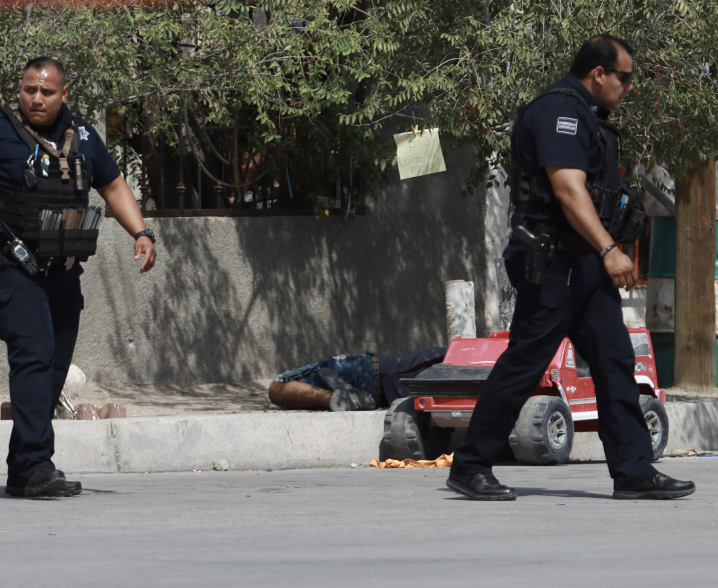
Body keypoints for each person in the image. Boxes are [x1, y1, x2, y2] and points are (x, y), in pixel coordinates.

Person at [447, 34, 695, 501]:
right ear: (598, 73)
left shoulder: (586, 115)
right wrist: (609, 249)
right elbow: (567, 189)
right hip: (555, 263)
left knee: (615, 362)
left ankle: (634, 471)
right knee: (526, 363)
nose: (630, 87)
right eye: (625, 77)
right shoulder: (557, 112)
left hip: (583, 264)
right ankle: (471, 464)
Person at [0, 57, 157, 499]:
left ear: (63, 94)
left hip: (63, 267)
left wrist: (141, 233)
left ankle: (21, 469)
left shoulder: (82, 134)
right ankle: (37, 466)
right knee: (32, 355)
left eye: (46, 91)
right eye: (29, 89)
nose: (36, 98)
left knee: (52, 367)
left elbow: (113, 186)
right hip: (10, 264)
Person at [269, 348, 445, 411]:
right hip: (373, 383)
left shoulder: (449, 356)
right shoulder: (450, 359)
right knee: (283, 392)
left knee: (276, 387)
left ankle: (339, 399)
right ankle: (346, 398)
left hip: (364, 371)